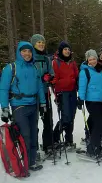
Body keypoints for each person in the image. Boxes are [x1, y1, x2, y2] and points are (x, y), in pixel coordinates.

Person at [0, 41, 46, 172]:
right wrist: (4, 108)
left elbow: (40, 87)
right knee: (24, 134)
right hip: (18, 105)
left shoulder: (35, 68)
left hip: (33, 105)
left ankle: (31, 162)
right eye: (24, 51)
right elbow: (3, 89)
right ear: (19, 52)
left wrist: (43, 103)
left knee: (33, 133)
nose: (27, 53)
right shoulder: (11, 68)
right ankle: (23, 164)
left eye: (29, 51)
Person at [77, 49, 102, 158]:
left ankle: (95, 143)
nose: (92, 61)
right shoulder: (84, 71)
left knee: (99, 122)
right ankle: (94, 148)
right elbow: (82, 86)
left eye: (94, 58)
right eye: (90, 59)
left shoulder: (99, 70)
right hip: (92, 101)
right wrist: (80, 98)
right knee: (98, 123)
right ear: (87, 60)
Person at [30, 34, 55, 155]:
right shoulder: (30, 58)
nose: (41, 44)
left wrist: (48, 77)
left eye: (42, 42)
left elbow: (52, 73)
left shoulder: (46, 59)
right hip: (32, 95)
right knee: (33, 122)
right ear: (33, 44)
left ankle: (48, 145)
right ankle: (33, 148)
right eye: (38, 42)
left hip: (45, 93)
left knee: (48, 120)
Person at [52, 41, 79, 150]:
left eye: (68, 49)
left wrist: (77, 84)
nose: (67, 51)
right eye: (65, 49)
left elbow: (76, 75)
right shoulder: (56, 62)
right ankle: (55, 138)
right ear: (60, 51)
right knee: (65, 116)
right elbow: (54, 78)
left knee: (71, 116)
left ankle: (69, 139)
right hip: (62, 93)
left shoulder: (72, 62)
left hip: (72, 92)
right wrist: (57, 86)